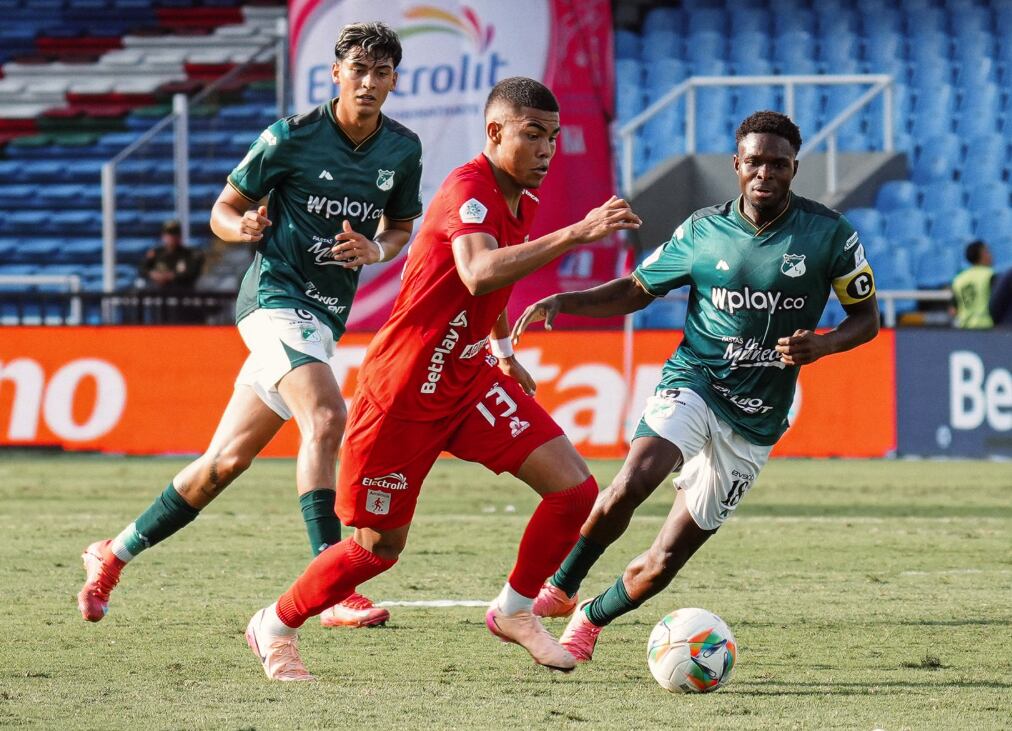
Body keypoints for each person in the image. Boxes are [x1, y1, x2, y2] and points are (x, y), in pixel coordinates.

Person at [243, 77, 642, 681]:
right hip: (404, 391)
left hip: (469, 380)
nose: (546, 149)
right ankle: (274, 625)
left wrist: (502, 351)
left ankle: (515, 610)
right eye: (533, 134)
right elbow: (478, 271)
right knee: (376, 550)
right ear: (495, 132)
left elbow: (491, 289)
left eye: (554, 138)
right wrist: (576, 232)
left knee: (575, 492)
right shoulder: (468, 189)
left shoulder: (522, 203)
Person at [77, 22, 423, 630]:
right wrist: (239, 228)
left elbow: (399, 228)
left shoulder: (402, 149)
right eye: (358, 70)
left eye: (381, 73)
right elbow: (223, 209)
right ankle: (331, 584)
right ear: (336, 73)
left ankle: (113, 553)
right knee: (326, 416)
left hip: (324, 314)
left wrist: (377, 249)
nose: (368, 83)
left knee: (225, 462)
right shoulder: (290, 137)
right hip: (273, 299)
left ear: (394, 80)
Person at [512, 111, 880, 663]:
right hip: (696, 380)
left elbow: (867, 319)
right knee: (633, 481)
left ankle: (591, 616)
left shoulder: (831, 234)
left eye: (778, 164)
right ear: (736, 165)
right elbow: (637, 289)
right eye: (754, 162)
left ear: (794, 168)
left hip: (756, 419)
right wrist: (566, 301)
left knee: (664, 561)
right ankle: (563, 585)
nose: (765, 173)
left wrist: (824, 345)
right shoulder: (702, 230)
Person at [138, 219, 204, 292]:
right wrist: (153, 274)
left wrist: (171, 276)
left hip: (182, 292)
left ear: (180, 236)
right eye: (169, 235)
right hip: (157, 292)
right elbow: (142, 269)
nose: (171, 238)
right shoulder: (156, 253)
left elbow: (192, 273)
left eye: (175, 235)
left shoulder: (189, 254)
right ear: (163, 236)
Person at [952, 240, 995, 329]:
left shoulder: (958, 279)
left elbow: (953, 310)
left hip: (964, 327)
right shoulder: (990, 275)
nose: (991, 255)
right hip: (987, 327)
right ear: (983, 255)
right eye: (988, 251)